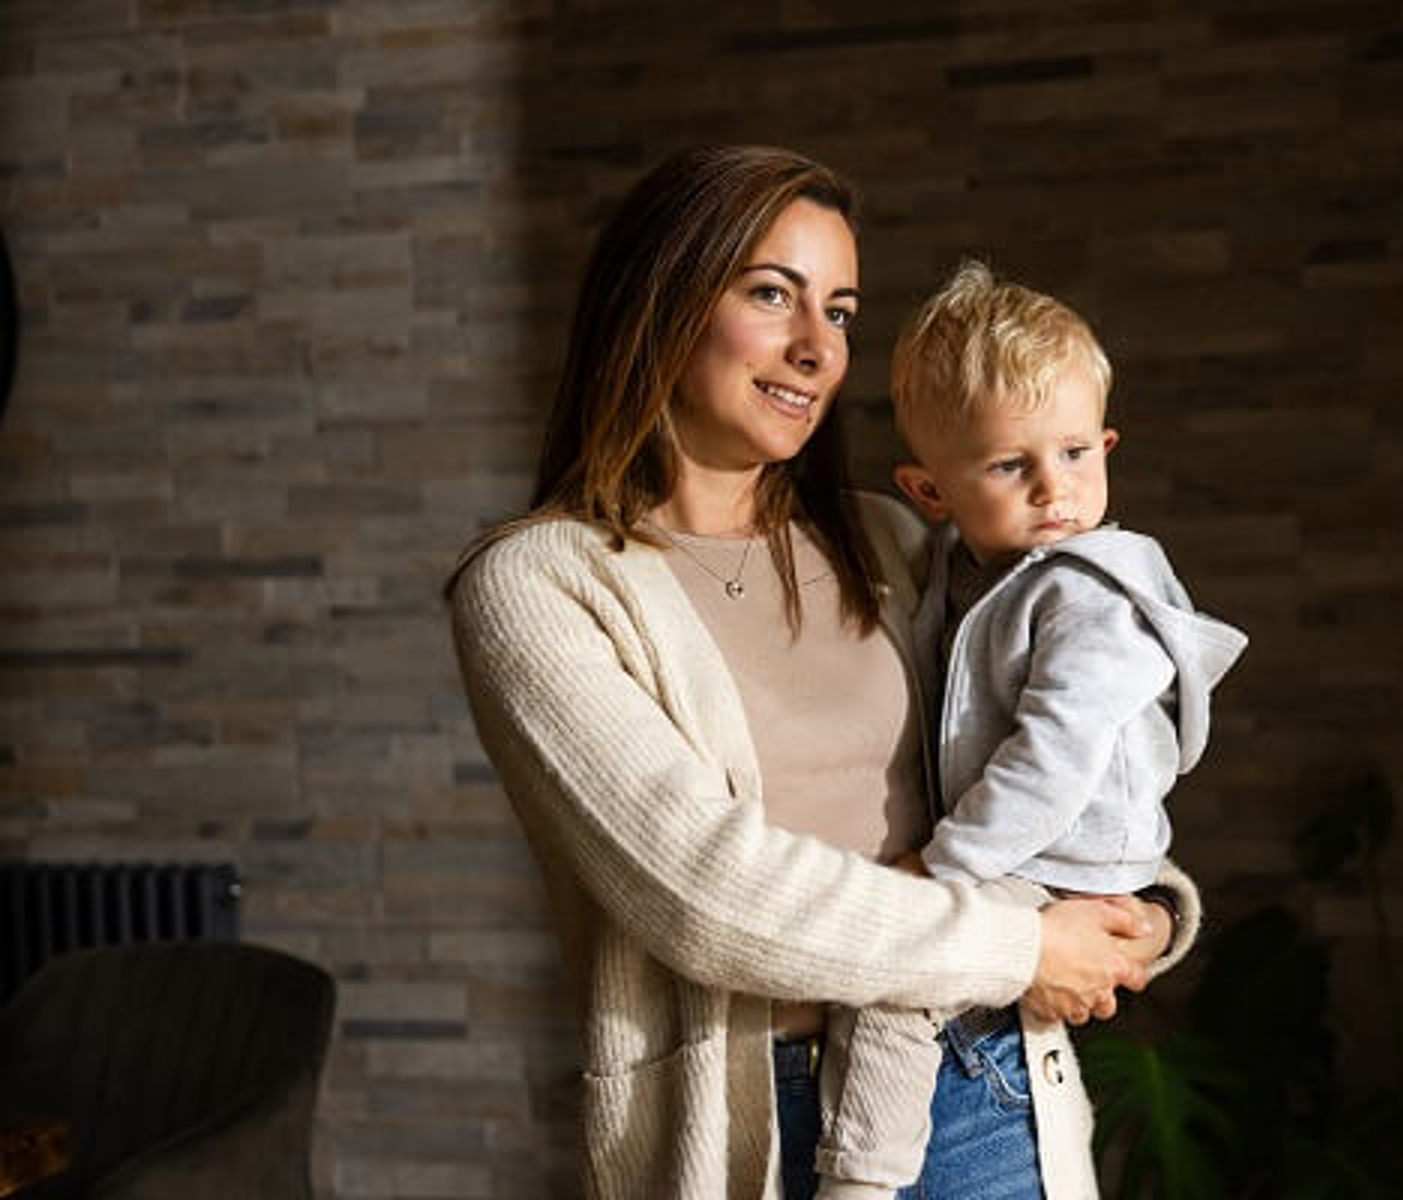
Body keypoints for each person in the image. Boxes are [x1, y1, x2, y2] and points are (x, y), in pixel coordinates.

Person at [446, 144, 1201, 1200]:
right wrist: (1019, 947)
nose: (816, 349)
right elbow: (707, 896)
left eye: (840, 313)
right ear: (658, 302)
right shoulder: (540, 587)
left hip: (989, 1087)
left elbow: (1048, 738)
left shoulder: (893, 544)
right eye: (772, 294)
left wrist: (1140, 912)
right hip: (756, 1123)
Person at [810, 263, 1249, 1198]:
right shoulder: (962, 571)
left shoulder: (1088, 592)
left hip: (1056, 854)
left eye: (1077, 453)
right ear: (931, 492)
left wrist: (942, 870)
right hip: (1033, 853)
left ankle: (857, 1182)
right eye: (1012, 466)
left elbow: (1055, 756)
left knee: (897, 987)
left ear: (1106, 444)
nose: (1056, 490)